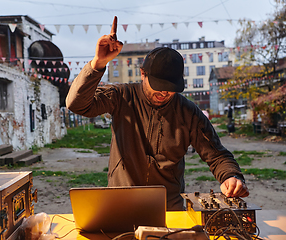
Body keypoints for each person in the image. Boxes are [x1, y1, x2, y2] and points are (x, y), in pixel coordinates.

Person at [66, 16, 249, 210]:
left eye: (170, 88)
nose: (164, 93)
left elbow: (217, 154)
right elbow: (76, 104)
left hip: (169, 206)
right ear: (143, 74)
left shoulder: (188, 112)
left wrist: (231, 176)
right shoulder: (121, 96)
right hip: (121, 202)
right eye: (159, 86)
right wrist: (97, 64)